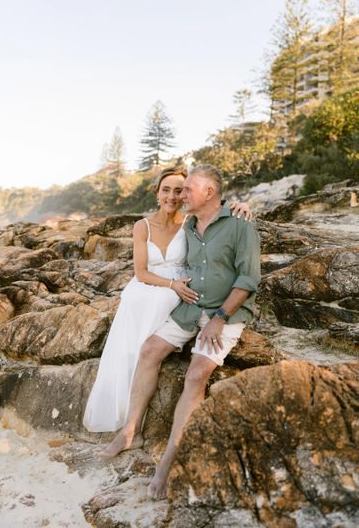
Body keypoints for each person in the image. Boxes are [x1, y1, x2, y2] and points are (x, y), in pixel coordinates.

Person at [100, 164, 261, 500]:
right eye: (178, 189)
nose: (181, 195)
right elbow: (150, 260)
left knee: (195, 375)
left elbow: (248, 280)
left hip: (225, 315)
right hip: (189, 307)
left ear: (209, 193)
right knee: (148, 351)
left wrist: (220, 317)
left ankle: (168, 461)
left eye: (188, 189)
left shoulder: (240, 223)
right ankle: (132, 431)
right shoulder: (187, 225)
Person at [83, 166, 251, 435]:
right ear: (156, 193)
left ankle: (144, 395)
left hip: (183, 287)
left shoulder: (190, 222)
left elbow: (217, 214)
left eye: (180, 190)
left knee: (163, 303)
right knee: (136, 301)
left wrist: (240, 206)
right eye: (167, 190)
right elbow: (140, 272)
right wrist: (170, 284)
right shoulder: (143, 226)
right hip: (153, 282)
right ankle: (126, 406)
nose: (174, 196)